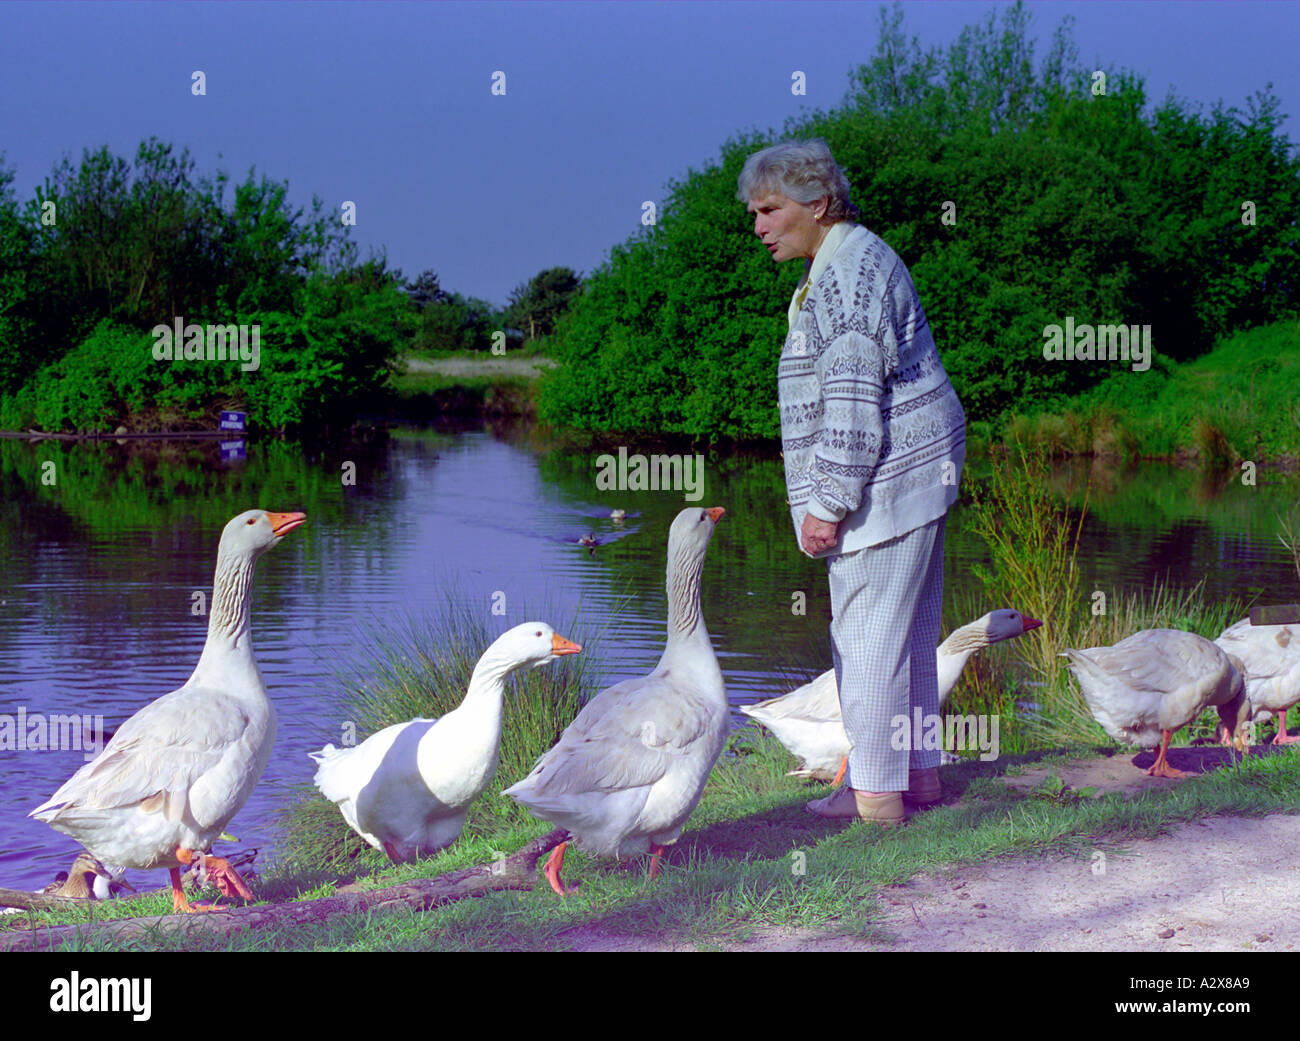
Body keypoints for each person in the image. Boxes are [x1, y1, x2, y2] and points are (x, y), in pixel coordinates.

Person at [738, 139, 966, 824]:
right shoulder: (852, 259)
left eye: (770, 210)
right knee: (908, 637)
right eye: (754, 213)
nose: (759, 227)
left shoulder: (846, 278)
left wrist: (826, 504)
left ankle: (873, 802)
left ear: (819, 203)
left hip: (891, 478)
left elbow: (853, 404)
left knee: (865, 641)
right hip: (922, 467)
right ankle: (918, 780)